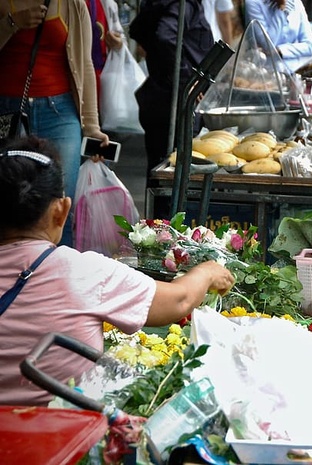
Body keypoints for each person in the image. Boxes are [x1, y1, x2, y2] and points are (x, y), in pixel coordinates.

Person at [0, 136, 235, 406]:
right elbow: (178, 300)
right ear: (61, 211)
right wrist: (206, 273)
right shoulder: (84, 271)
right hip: (64, 436)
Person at [0, 0, 111, 248]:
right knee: (8, 202)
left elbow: (85, 65)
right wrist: (11, 24)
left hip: (59, 112)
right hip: (7, 111)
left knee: (61, 203)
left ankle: (60, 273)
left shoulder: (72, 4)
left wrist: (92, 126)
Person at [129, 0, 214, 176]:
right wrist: (185, 81)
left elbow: (138, 30)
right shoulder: (183, 5)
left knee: (160, 171)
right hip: (175, 101)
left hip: (160, 97)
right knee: (172, 172)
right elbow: (165, 36)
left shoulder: (165, 4)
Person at [243, 0, 312, 74]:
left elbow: (310, 46)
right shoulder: (253, 3)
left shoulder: (296, 3)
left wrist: (280, 50)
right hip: (267, 73)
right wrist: (281, 9)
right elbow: (269, 45)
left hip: (294, 73)